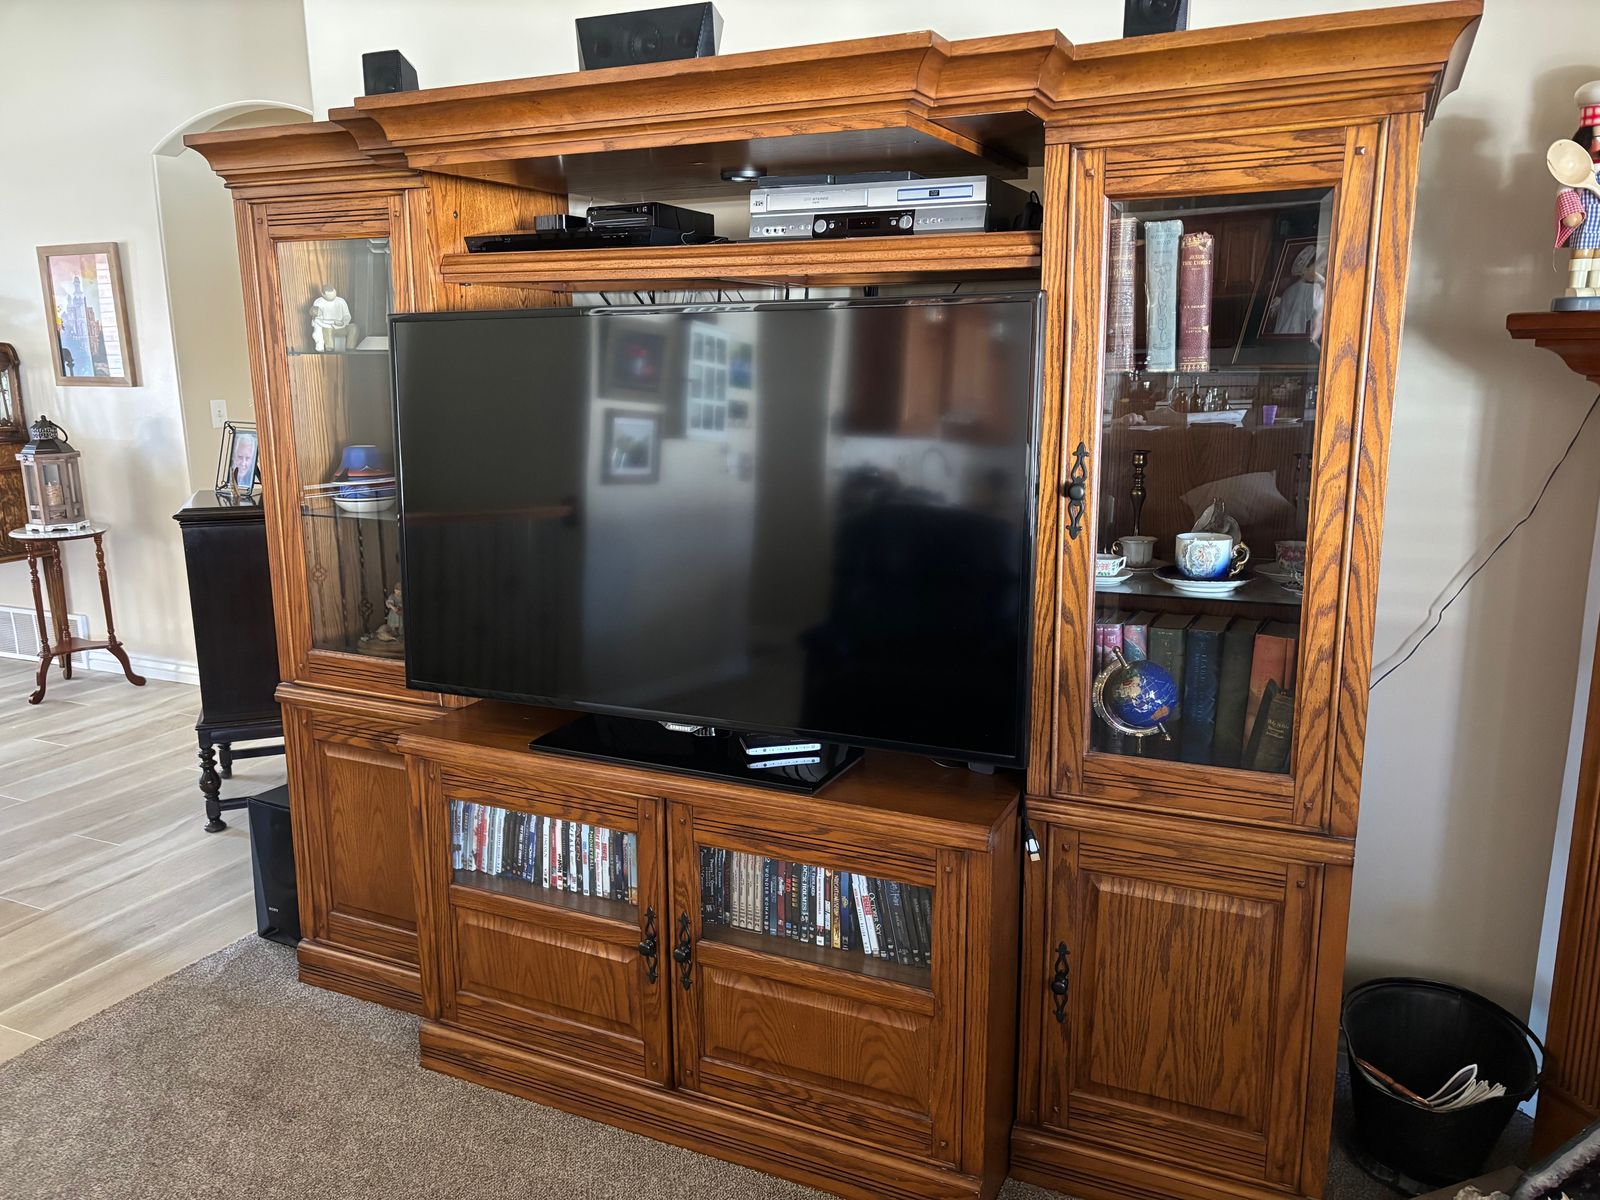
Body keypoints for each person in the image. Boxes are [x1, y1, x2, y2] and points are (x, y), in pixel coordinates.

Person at [1555, 82, 1600, 298]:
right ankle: (1577, 286)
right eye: (1596, 137)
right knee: (1582, 253)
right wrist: (1571, 211)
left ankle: (1595, 288)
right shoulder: (1575, 168)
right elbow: (1565, 189)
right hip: (1586, 219)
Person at [1266, 243, 1325, 338]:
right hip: (1299, 342)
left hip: (1282, 340)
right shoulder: (1312, 290)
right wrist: (1323, 282)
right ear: (1305, 267)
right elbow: (1322, 311)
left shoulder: (1287, 291)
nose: (1322, 272)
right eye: (1320, 267)